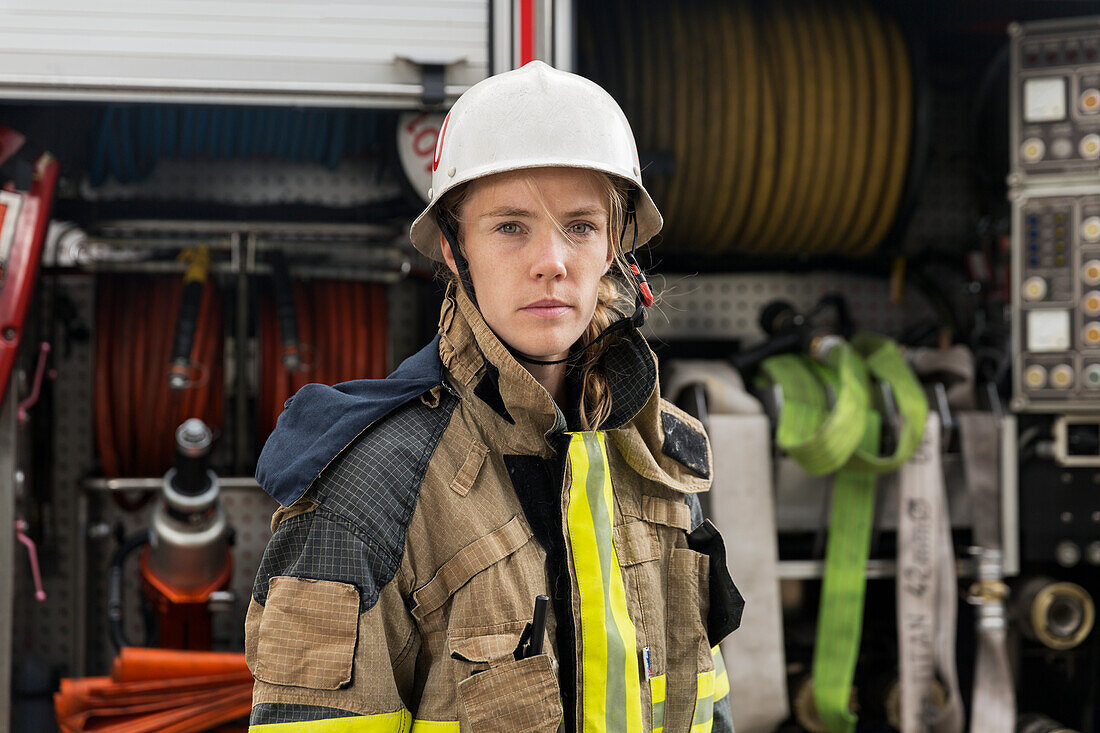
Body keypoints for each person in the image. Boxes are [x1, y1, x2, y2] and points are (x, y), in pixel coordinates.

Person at [246, 60, 743, 732]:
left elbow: (705, 706)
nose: (552, 260)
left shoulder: (655, 461)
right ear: (454, 249)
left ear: (616, 249)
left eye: (581, 226)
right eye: (511, 226)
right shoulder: (367, 493)